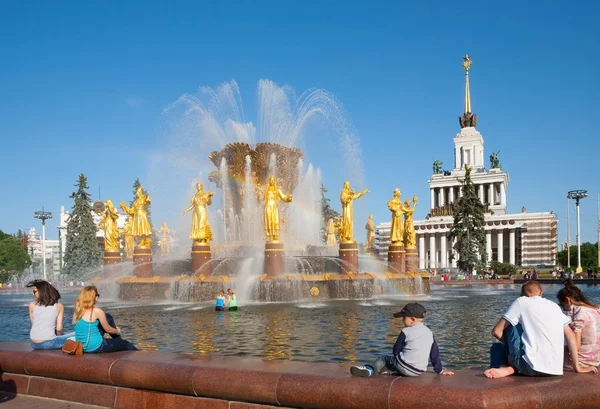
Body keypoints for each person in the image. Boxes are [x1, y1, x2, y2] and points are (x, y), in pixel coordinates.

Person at [484, 281, 597, 378]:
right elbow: (571, 337)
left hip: (529, 368)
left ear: (522, 294)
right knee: (501, 344)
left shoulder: (521, 301)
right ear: (541, 293)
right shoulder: (554, 306)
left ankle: (509, 367)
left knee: (510, 327)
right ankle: (509, 365)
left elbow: (496, 331)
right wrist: (577, 368)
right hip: (555, 370)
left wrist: (511, 347)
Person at [350, 303, 454, 377]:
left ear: (412, 319)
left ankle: (370, 370)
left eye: (404, 317)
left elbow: (395, 350)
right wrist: (440, 371)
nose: (402, 320)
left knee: (384, 359)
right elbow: (434, 354)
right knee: (398, 362)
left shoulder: (406, 331)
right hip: (418, 372)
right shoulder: (430, 333)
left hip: (403, 367)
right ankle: (393, 371)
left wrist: (398, 359)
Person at [73, 286, 137, 353]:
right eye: (97, 295)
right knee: (126, 344)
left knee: (107, 317)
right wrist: (118, 331)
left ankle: (118, 341)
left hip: (82, 347)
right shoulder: (96, 311)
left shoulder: (78, 311)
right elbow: (108, 329)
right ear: (95, 297)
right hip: (96, 347)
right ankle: (140, 355)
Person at [557, 279, 600, 369]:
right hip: (595, 358)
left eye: (562, 305)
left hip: (583, 360)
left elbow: (576, 346)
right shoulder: (594, 310)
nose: (564, 309)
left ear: (567, 300)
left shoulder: (579, 313)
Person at [27, 280, 74, 350]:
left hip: (33, 343)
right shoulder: (59, 306)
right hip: (49, 343)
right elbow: (59, 329)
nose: (33, 294)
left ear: (41, 292)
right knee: (77, 334)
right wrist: (59, 337)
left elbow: (33, 323)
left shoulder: (32, 305)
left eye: (34, 292)